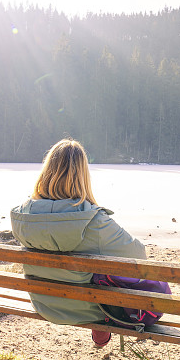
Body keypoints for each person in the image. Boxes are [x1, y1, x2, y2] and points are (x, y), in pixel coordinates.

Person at [10, 138, 146, 347]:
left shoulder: (24, 216)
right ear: (83, 176)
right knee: (111, 268)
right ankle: (102, 324)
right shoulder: (95, 221)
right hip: (89, 308)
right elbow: (140, 256)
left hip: (43, 302)